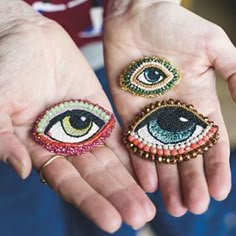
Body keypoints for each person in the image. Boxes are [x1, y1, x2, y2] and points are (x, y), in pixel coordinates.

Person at [0, 0, 235, 235]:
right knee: (30, 210)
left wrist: (141, 4)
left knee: (151, 201)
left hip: (121, 44)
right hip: (21, 76)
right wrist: (8, 21)